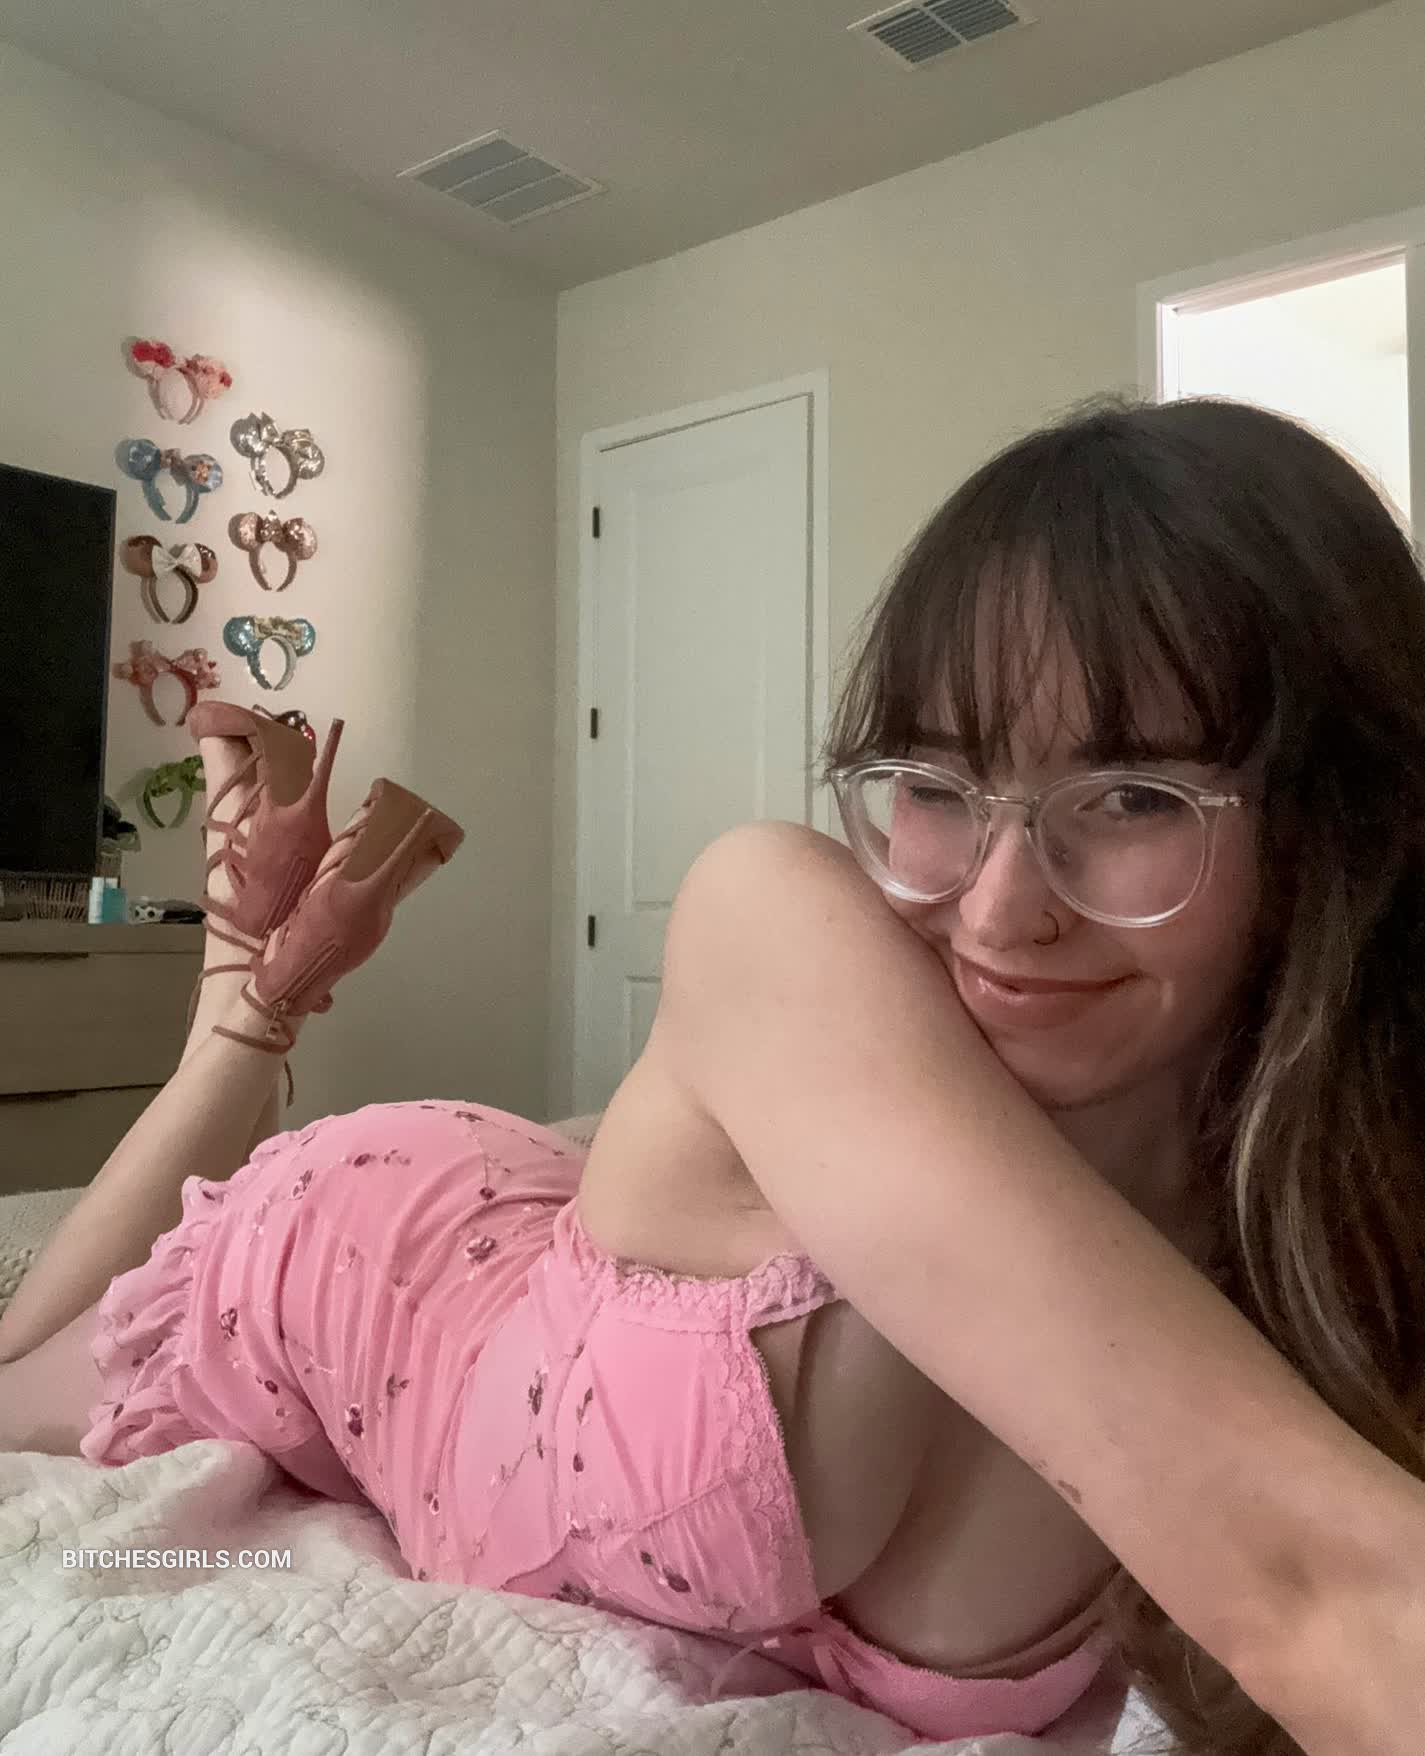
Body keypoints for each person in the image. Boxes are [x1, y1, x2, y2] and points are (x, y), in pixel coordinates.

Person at [3, 397, 1424, 1756]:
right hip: (375, 1260)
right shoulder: (772, 913)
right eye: (931, 786)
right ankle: (244, 1007)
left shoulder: (1322, 1223)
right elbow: (1325, 1591)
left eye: (1130, 798)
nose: (998, 913)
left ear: (1337, 823)